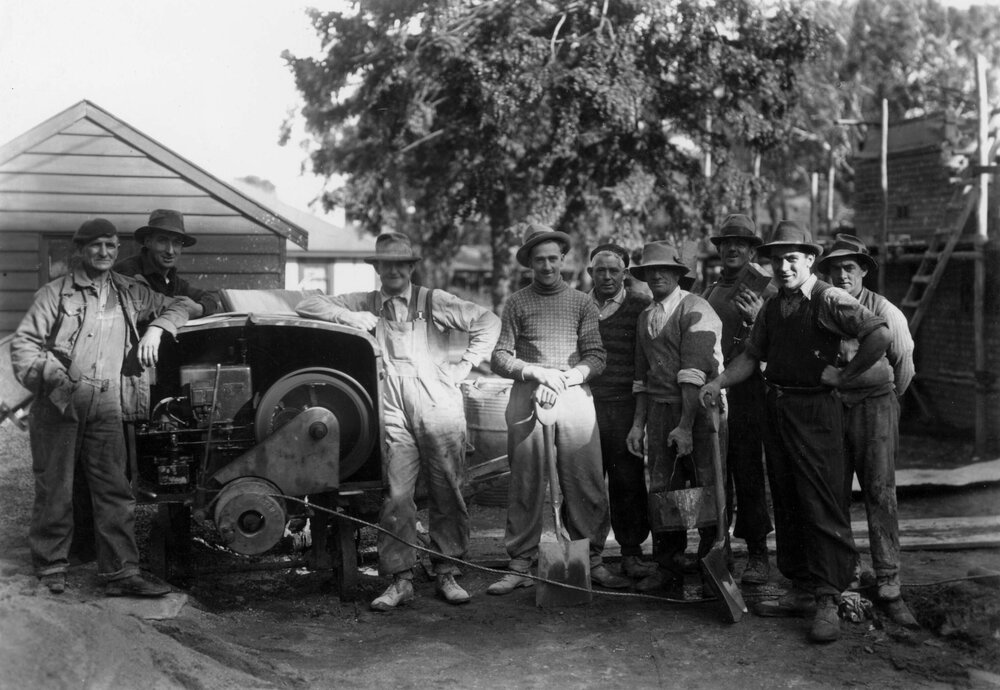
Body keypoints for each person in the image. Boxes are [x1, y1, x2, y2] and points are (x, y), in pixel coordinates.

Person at [700, 221, 891, 644]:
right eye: (776, 260)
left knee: (821, 500)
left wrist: (844, 375)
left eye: (792, 259)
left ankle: (828, 597)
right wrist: (718, 383)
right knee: (786, 498)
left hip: (817, 410)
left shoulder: (827, 297)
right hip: (779, 406)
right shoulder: (773, 305)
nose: (783, 267)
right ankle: (801, 588)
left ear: (809, 260)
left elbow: (878, 332)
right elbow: (752, 355)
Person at [295, 232, 501, 611]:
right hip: (392, 410)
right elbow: (306, 304)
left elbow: (488, 322)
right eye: (385, 264)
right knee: (397, 495)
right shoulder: (365, 302)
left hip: (438, 406)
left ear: (409, 267)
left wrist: (466, 365)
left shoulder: (432, 300)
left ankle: (447, 572)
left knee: (447, 491)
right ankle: (400, 578)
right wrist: (348, 315)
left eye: (399, 264)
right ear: (377, 269)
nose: (392, 271)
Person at [11, 218, 189, 597]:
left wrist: (157, 328)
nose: (104, 253)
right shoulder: (55, 294)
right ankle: (52, 566)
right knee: (56, 487)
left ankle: (121, 573)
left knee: (115, 489)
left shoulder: (129, 292)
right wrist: (53, 376)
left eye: (110, 246)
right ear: (80, 251)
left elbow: (180, 304)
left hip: (108, 402)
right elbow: (23, 346)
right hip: (61, 402)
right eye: (96, 247)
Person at [488, 224, 630, 594]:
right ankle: (521, 561)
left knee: (586, 479)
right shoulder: (517, 302)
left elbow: (596, 356)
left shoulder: (582, 302)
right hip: (528, 395)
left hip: (572, 395)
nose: (548, 266)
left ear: (563, 260)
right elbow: (499, 356)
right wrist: (534, 372)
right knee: (526, 481)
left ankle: (591, 558)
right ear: (530, 264)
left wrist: (563, 380)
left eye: (553, 259)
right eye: (540, 260)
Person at [817, 234, 918, 628]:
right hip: (832, 409)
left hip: (875, 407)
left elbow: (904, 364)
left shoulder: (884, 309)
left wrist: (882, 399)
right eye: (835, 268)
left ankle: (890, 581)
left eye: (850, 268)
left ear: (863, 271)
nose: (842, 275)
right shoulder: (824, 306)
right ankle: (849, 573)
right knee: (834, 491)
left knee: (879, 490)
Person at [625, 240, 725, 598]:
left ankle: (713, 565)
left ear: (678, 274)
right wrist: (639, 424)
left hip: (698, 412)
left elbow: (693, 374)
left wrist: (684, 426)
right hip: (659, 409)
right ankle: (668, 566)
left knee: (705, 488)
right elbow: (642, 376)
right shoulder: (645, 317)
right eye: (650, 271)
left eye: (664, 270)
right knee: (663, 490)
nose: (657, 276)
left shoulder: (696, 309)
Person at [701, 214, 777, 586]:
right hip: (714, 388)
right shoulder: (711, 290)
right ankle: (720, 548)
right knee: (716, 471)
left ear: (751, 251)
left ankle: (759, 554)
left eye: (741, 245)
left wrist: (759, 316)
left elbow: (781, 341)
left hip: (749, 389)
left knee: (747, 469)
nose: (732, 249)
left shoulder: (767, 289)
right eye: (726, 243)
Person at [586, 243, 655, 579]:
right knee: (584, 482)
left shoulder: (641, 306)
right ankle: (587, 554)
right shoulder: (577, 305)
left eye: (615, 270)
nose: (608, 276)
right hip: (584, 407)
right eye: (601, 270)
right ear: (590, 273)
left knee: (627, 481)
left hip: (625, 407)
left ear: (625, 274)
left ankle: (631, 552)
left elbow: (644, 364)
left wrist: (639, 421)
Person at [115, 209, 221, 318]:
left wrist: (199, 309)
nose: (170, 251)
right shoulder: (127, 271)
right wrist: (179, 308)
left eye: (176, 243)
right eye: (162, 241)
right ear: (148, 242)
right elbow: (145, 307)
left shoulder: (171, 279)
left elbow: (210, 299)